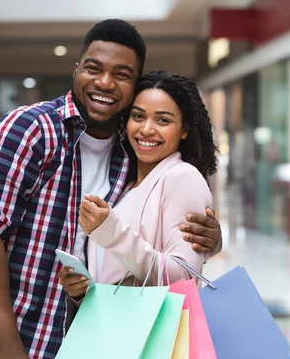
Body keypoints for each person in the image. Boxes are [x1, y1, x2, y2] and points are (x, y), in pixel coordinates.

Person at [0, 20, 223, 359]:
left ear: (134, 85)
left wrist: (207, 244)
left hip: (75, 341)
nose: (105, 82)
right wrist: (7, 343)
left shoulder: (129, 151)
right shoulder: (29, 129)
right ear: (76, 69)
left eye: (121, 74)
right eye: (94, 68)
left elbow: (146, 237)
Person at [59, 70, 218, 302]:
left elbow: (183, 278)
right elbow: (119, 276)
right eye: (138, 116)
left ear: (185, 130)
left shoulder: (183, 178)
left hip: (154, 334)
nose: (146, 129)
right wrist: (82, 289)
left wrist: (110, 232)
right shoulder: (125, 185)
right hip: (115, 330)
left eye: (163, 120)